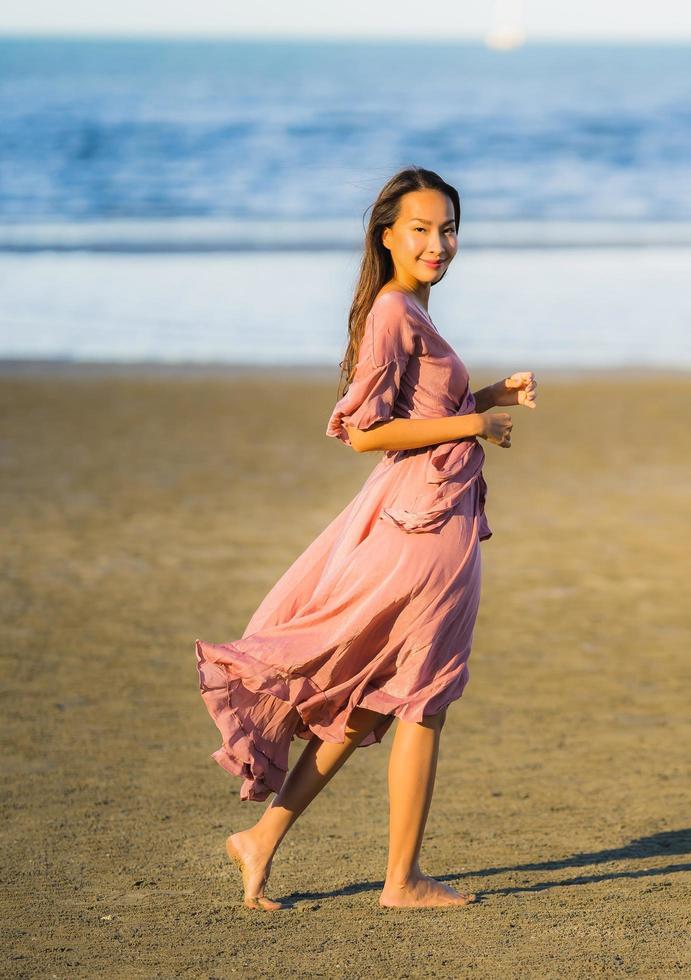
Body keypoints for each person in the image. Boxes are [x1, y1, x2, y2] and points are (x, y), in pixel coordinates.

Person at [194, 166, 536, 910]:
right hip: (425, 528)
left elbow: (420, 416)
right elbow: (367, 432)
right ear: (387, 236)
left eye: (448, 228)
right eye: (421, 228)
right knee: (422, 700)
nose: (438, 242)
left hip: (433, 512)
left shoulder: (412, 309)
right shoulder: (393, 311)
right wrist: (474, 423)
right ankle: (402, 880)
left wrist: (489, 398)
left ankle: (261, 841)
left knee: (375, 703)